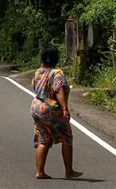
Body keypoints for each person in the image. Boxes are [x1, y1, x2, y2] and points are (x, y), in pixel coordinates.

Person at [30, 46, 82, 180]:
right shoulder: (57, 73)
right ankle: (69, 171)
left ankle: (40, 172)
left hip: (37, 106)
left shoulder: (38, 72)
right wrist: (64, 108)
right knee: (66, 137)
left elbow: (35, 87)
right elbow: (59, 90)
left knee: (44, 138)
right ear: (56, 59)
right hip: (51, 108)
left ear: (43, 59)